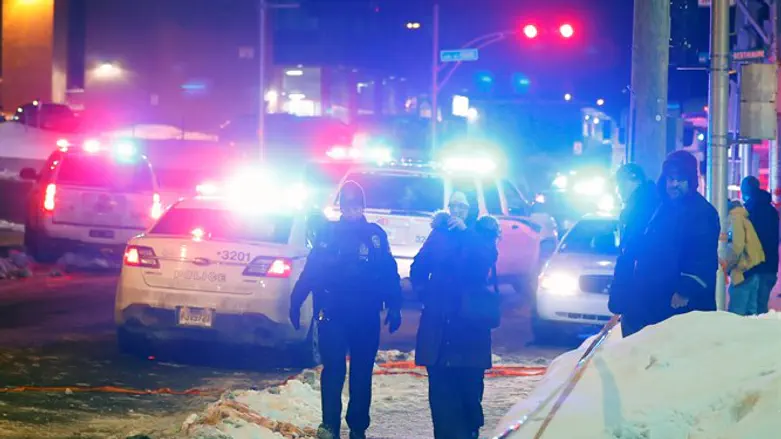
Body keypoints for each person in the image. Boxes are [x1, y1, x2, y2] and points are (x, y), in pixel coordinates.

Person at [289, 181, 403, 439]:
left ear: (362, 207)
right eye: (347, 205)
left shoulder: (375, 236)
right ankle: (329, 424)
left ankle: (358, 426)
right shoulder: (328, 235)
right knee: (334, 370)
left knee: (362, 372)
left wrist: (395, 304)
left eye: (356, 206)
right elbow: (311, 270)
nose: (352, 210)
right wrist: (296, 300)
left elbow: (389, 272)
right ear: (341, 207)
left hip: (365, 315)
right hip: (333, 314)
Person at [410, 192, 500, 439]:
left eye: (463, 206)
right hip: (439, 325)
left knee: (469, 392)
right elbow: (418, 268)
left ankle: (470, 431)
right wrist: (426, 294)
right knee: (440, 394)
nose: (457, 211)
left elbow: (484, 260)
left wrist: (465, 233)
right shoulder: (438, 234)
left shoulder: (483, 234)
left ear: (472, 210)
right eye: (454, 206)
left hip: (470, 328)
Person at [630, 150, 720, 332]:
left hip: (682, 302)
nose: (674, 184)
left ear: (691, 182)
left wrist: (685, 289)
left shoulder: (701, 212)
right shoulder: (661, 208)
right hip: (657, 297)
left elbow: (702, 256)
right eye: (670, 179)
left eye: (680, 179)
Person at [608, 163, 661, 337]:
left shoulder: (638, 209)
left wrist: (620, 294)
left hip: (638, 289)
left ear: (625, 183)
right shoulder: (650, 203)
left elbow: (629, 254)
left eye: (618, 185)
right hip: (644, 288)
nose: (617, 191)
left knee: (635, 342)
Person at [741, 176, 780, 314]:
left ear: (744, 190)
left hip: (753, 266)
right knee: (761, 308)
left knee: (747, 309)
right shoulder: (772, 211)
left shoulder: (747, 211)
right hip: (771, 266)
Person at [722, 200, 765, 315]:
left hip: (742, 272)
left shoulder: (734, 219)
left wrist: (726, 265)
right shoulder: (743, 217)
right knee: (751, 313)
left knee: (736, 314)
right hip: (753, 269)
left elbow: (736, 247)